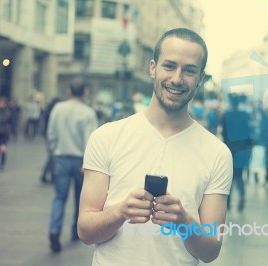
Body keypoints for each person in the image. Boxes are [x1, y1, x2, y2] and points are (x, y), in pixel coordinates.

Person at [78, 28, 233, 265]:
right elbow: (85, 231)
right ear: (153, 67)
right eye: (169, 66)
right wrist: (120, 212)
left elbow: (210, 251)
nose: (177, 79)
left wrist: (184, 221)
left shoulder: (217, 153)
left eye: (189, 71)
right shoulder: (106, 137)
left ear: (200, 79)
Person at [47, 81, 99, 252]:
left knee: (59, 197)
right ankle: (75, 231)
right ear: (85, 91)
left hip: (61, 158)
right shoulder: (88, 112)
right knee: (80, 198)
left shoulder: (58, 108)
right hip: (80, 161)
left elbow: (51, 134)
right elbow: (91, 140)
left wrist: (55, 152)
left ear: (69, 90)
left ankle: (54, 232)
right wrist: (88, 162)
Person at [221, 94, 253, 212]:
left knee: (229, 176)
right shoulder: (245, 115)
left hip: (230, 149)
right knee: (239, 175)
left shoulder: (226, 115)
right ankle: (242, 194)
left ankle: (228, 203)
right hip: (243, 149)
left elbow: (224, 133)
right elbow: (249, 132)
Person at [40, 97, 61, 183]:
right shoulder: (54, 112)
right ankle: (48, 175)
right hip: (51, 135)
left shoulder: (49, 111)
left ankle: (47, 175)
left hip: (47, 135)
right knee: (52, 156)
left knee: (51, 156)